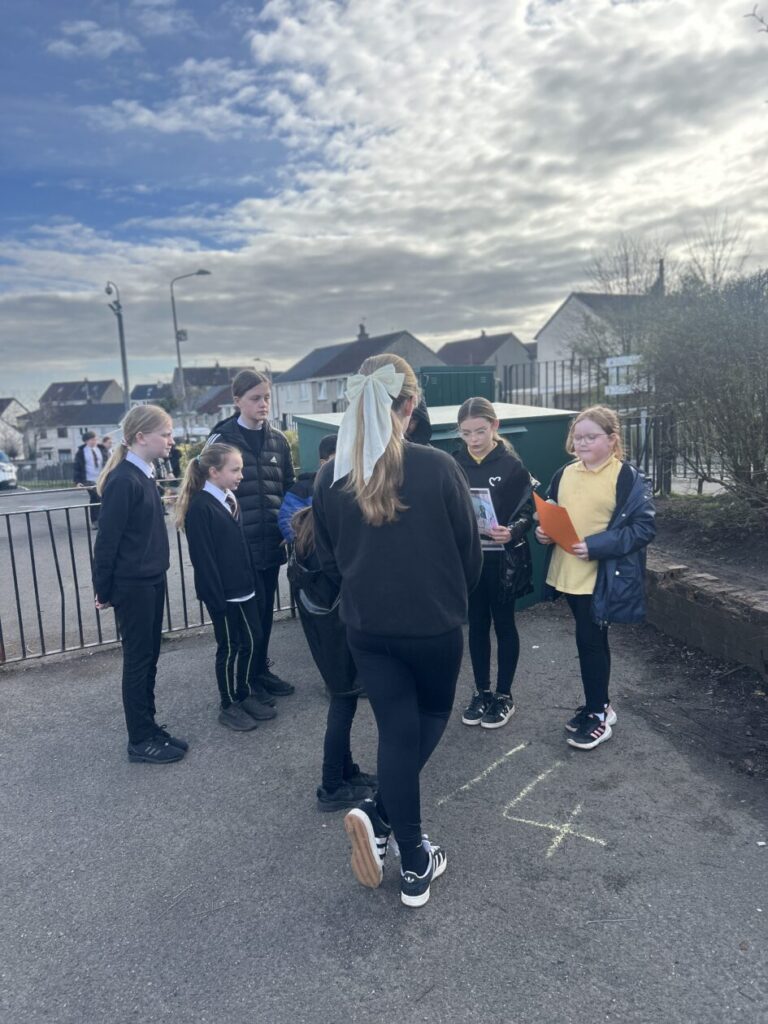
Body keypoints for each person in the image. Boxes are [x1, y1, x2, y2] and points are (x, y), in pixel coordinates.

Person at [313, 354, 482, 908]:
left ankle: (408, 852)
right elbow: (470, 553)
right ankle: (389, 829)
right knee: (426, 722)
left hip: (367, 627)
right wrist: (450, 595)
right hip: (433, 624)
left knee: (395, 735)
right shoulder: (437, 466)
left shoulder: (330, 475)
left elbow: (330, 558)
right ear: (410, 406)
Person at [535, 405, 656, 750]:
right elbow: (551, 510)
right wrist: (543, 532)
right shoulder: (565, 472)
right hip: (567, 573)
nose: (582, 443)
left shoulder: (626, 477)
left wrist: (597, 545)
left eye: (591, 436)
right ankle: (600, 705)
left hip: (599, 577)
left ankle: (598, 714)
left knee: (589, 641)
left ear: (612, 439)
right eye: (578, 436)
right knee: (591, 640)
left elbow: (644, 527)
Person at [92, 405, 187, 764]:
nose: (171, 440)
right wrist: (104, 590)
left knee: (149, 658)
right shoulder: (124, 480)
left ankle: (149, 727)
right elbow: (107, 541)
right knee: (138, 660)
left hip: (150, 580)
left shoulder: (144, 475)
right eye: (165, 433)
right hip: (133, 585)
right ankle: (140, 740)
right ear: (141, 437)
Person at [176, 443, 277, 731]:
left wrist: (253, 582)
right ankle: (228, 703)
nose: (241, 475)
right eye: (235, 470)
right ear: (213, 471)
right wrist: (216, 598)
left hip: (244, 587)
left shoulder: (229, 498)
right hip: (224, 593)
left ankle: (243, 693)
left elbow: (241, 545)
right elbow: (204, 559)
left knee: (252, 639)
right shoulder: (201, 507)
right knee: (230, 647)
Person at [208, 370, 296, 697]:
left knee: (264, 615)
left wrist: (288, 527)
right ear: (237, 401)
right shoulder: (221, 439)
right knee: (245, 622)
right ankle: (243, 682)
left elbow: (288, 488)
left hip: (270, 544)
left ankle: (260, 671)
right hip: (238, 549)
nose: (263, 404)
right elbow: (204, 491)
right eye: (255, 398)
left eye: (267, 397)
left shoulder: (279, 440)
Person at [287, 505, 377, 811]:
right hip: (338, 630)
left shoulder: (308, 532)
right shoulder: (330, 539)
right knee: (343, 702)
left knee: (343, 700)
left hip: (324, 631)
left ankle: (345, 771)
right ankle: (332, 785)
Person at [454, 397, 535, 729]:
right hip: (471, 560)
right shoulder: (454, 463)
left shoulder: (512, 466)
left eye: (480, 431)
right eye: (466, 433)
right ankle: (481, 692)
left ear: (494, 426)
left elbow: (528, 511)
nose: (473, 439)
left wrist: (512, 530)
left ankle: (504, 695)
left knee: (503, 624)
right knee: (476, 625)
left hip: (503, 561)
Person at [278, 434, 337, 543]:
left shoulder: (352, 488)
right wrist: (303, 543)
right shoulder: (301, 490)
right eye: (337, 460)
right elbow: (287, 519)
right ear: (323, 463)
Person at [74, 431, 105, 526]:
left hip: (102, 478)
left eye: (95, 439)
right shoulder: (81, 453)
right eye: (91, 440)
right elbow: (77, 468)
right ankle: (96, 521)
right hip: (89, 479)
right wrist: (77, 481)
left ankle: (103, 519)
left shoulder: (101, 449)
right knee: (96, 497)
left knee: (102, 498)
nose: (94, 441)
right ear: (86, 441)